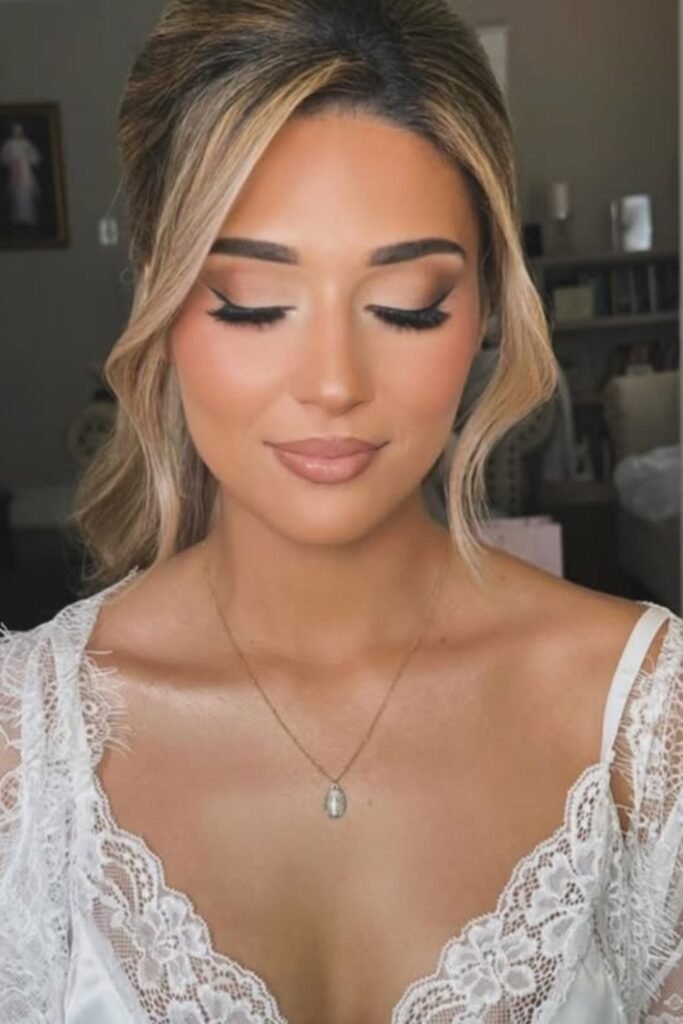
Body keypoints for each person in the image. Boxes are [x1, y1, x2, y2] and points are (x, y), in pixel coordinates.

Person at [1, 1, 682, 1021]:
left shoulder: (649, 727)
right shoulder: (22, 749)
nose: (332, 382)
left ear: (485, 305)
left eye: (406, 304)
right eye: (251, 303)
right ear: (160, 298)